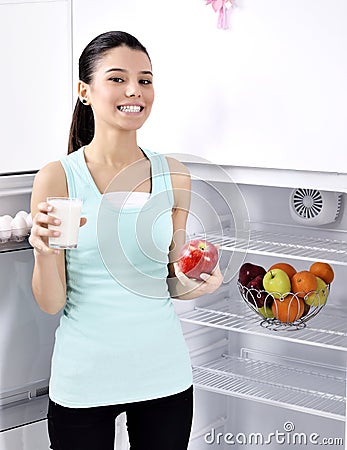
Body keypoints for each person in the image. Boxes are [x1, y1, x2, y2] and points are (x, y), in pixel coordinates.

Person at [29, 30, 223, 450]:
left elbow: (172, 281)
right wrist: (44, 253)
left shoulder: (174, 175)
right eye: (117, 78)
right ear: (85, 91)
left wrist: (201, 280)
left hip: (164, 375)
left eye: (145, 79)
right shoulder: (59, 177)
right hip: (83, 380)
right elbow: (51, 302)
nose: (135, 90)